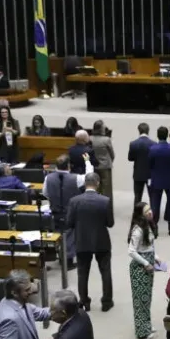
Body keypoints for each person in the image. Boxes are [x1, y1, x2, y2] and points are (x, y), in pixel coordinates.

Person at [68, 173, 115, 311]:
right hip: (101, 240)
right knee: (105, 272)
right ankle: (106, 302)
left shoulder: (74, 201)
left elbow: (69, 223)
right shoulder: (105, 200)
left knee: (82, 273)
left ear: (85, 184)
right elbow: (110, 223)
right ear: (98, 183)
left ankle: (84, 302)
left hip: (82, 241)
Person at [45, 154, 93, 270]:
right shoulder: (76, 178)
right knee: (71, 236)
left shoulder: (48, 178)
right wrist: (87, 161)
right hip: (71, 212)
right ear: (68, 166)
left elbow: (46, 193)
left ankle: (61, 256)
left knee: (58, 233)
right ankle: (68, 260)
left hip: (55, 211)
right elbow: (90, 176)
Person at [127, 202, 160, 339]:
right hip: (140, 269)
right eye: (146, 211)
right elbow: (131, 251)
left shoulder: (148, 226)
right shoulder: (138, 230)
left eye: (150, 209)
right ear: (140, 214)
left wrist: (156, 257)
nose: (150, 212)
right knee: (141, 300)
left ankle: (146, 325)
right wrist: (146, 263)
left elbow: (149, 246)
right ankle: (142, 331)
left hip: (149, 265)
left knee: (146, 298)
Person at [148, 126, 170, 237]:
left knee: (155, 204)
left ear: (157, 135)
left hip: (156, 179)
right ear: (167, 135)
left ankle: (154, 227)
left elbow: (150, 165)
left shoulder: (152, 149)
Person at [128, 123, 154, 204]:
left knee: (137, 196)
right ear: (148, 131)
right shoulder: (154, 144)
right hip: (150, 174)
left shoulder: (133, 144)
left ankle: (136, 215)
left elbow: (130, 158)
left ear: (139, 130)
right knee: (152, 196)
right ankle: (154, 214)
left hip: (138, 173)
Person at [90, 120, 115, 200]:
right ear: (100, 129)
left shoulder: (90, 139)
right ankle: (107, 209)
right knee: (106, 190)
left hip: (94, 166)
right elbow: (112, 154)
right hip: (105, 166)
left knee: (95, 187)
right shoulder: (106, 140)